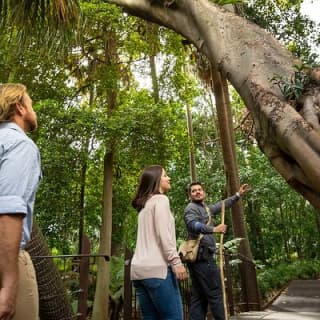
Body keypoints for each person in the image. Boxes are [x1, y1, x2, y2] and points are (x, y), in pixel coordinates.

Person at [0, 83, 41, 320]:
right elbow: (8, 209)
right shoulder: (20, 145)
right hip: (7, 256)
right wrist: (9, 284)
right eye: (31, 104)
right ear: (20, 108)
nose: (34, 110)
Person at [184, 181, 249, 320]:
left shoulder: (206, 208)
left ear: (204, 192)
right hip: (203, 258)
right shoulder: (191, 208)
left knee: (199, 297)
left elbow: (222, 205)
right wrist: (214, 229)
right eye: (194, 190)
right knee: (215, 293)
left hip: (200, 259)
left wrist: (238, 195)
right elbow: (192, 224)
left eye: (200, 189)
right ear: (190, 195)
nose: (197, 192)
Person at [130, 165, 188, 320]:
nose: (168, 178)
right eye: (165, 175)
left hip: (138, 272)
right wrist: (176, 262)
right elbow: (164, 235)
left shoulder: (145, 206)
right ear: (156, 180)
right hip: (157, 271)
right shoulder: (161, 200)